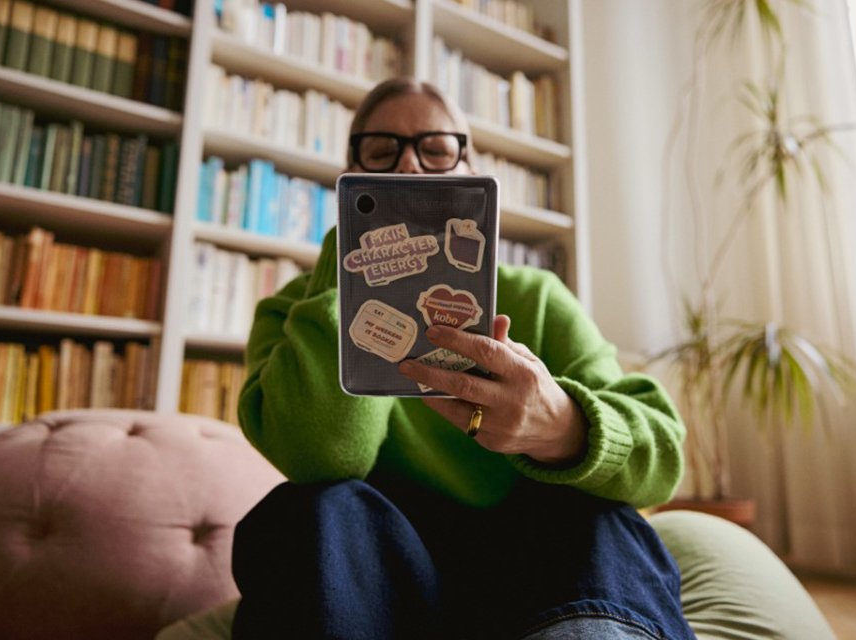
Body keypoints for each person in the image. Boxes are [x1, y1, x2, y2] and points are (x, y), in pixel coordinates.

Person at [233, 77, 696, 640]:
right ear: (349, 175)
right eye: (381, 152)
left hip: (537, 579)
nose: (409, 168)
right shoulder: (295, 311)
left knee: (599, 517)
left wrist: (564, 427)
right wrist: (347, 275)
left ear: (468, 171)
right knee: (311, 510)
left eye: (436, 149)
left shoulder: (536, 297)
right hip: (378, 581)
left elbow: (664, 455)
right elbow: (322, 457)